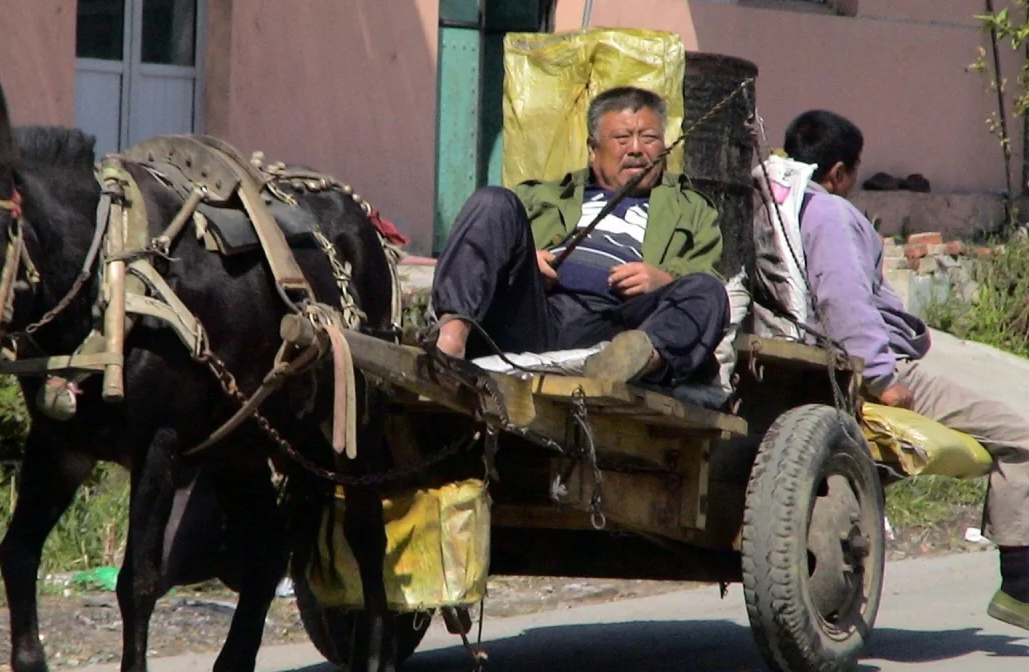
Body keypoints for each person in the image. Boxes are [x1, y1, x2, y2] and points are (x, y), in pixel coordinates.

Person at [785, 109, 1029, 631]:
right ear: (840, 173)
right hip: (880, 360)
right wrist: (882, 379)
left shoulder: (781, 204)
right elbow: (843, 300)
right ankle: (1022, 585)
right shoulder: (828, 213)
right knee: (1025, 432)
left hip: (898, 339)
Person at [430, 86, 729, 388]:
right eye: (622, 138)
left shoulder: (692, 208)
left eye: (649, 138)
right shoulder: (541, 195)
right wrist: (526, 262)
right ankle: (451, 342)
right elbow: (488, 244)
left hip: (617, 324)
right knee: (492, 202)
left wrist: (664, 280)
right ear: (592, 149)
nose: (637, 149)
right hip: (536, 314)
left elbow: (706, 271)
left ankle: (639, 361)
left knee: (708, 291)